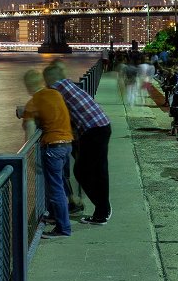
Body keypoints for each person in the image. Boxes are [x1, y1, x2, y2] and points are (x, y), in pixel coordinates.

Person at [44, 63, 113, 225]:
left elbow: (48, 110)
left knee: (81, 171)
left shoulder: (55, 90)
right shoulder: (69, 85)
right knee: (100, 170)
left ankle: (103, 208)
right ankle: (102, 211)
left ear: (50, 78)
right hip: (103, 123)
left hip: (92, 130)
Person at [22, 69, 73, 238]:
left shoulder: (32, 103)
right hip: (67, 144)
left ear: (29, 86)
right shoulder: (55, 94)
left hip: (52, 147)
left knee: (55, 188)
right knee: (60, 183)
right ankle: (55, 215)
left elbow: (29, 133)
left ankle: (63, 228)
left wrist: (28, 160)